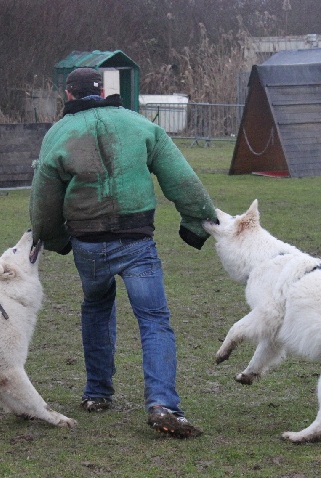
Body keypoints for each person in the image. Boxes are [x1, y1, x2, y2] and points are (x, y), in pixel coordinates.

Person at [30, 68, 217, 438]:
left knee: (96, 308)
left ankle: (97, 393)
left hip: (88, 243)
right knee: (154, 320)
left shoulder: (59, 134)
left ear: (68, 96)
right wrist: (196, 221)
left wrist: (52, 238)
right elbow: (180, 177)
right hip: (136, 242)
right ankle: (163, 402)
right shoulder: (138, 125)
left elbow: (44, 194)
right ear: (102, 91)